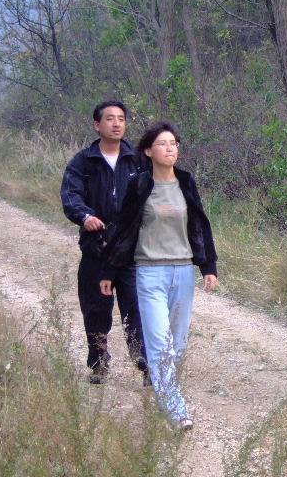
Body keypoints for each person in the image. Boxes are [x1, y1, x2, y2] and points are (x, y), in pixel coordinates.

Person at [98, 120, 218, 429]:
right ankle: (177, 412)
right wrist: (109, 269)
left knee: (177, 345)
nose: (170, 148)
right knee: (160, 344)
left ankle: (164, 391)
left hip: (183, 272)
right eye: (163, 144)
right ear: (149, 151)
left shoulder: (186, 183)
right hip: (150, 272)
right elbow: (123, 228)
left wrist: (208, 267)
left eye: (174, 143)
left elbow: (200, 225)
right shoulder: (139, 185)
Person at [60, 101, 148, 385]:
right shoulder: (83, 162)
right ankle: (99, 364)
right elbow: (70, 196)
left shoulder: (138, 160)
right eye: (110, 119)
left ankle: (146, 365)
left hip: (131, 252)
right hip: (97, 249)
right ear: (97, 125)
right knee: (96, 309)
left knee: (137, 309)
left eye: (121, 118)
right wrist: (85, 217)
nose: (116, 124)